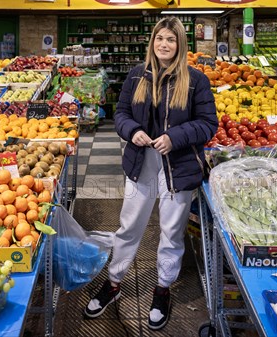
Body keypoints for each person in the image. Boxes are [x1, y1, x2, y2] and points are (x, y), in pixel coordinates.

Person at [83, 17, 218, 330]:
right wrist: (132, 131)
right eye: (160, 39)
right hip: (142, 161)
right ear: (152, 43)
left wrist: (175, 137)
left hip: (178, 164)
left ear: (180, 44)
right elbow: (121, 114)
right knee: (129, 225)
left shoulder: (196, 80)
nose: (164, 45)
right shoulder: (136, 76)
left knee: (171, 231)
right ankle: (114, 283)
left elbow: (209, 124)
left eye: (171, 40)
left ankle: (163, 288)